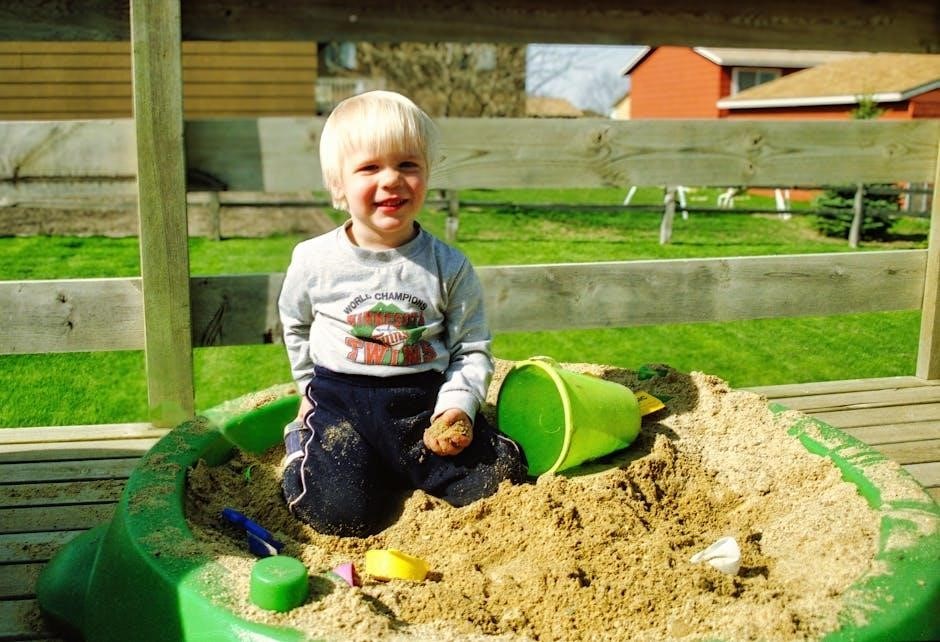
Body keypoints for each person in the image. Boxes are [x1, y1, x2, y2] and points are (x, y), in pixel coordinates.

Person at [277, 90, 527, 537]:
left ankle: (402, 466)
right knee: (338, 513)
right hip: (343, 408)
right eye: (370, 167)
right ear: (338, 185)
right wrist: (306, 387)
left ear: (427, 174)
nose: (391, 179)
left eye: (408, 164)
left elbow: (471, 348)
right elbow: (296, 325)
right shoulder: (314, 261)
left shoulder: (448, 266)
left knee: (501, 479)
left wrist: (457, 408)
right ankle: (303, 442)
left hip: (421, 406)